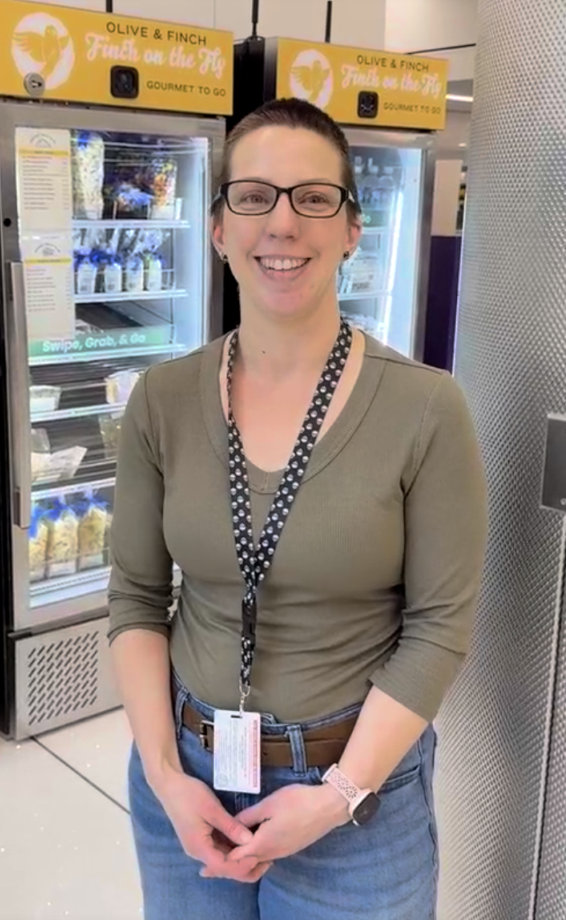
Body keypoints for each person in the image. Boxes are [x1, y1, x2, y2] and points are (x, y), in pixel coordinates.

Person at [108, 97, 488, 920]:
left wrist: (337, 795)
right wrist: (167, 776)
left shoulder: (426, 409)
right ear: (217, 229)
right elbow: (136, 600)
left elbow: (437, 627)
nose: (282, 223)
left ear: (352, 229)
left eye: (313, 198)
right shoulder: (162, 401)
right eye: (253, 196)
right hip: (186, 779)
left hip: (355, 802)